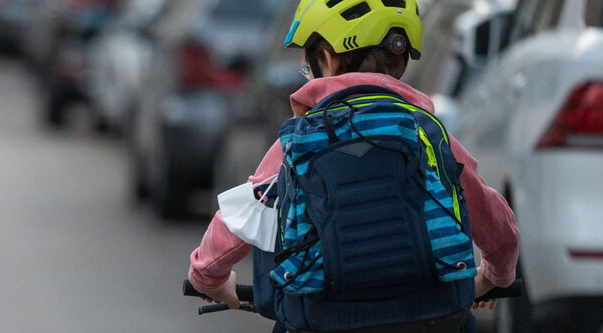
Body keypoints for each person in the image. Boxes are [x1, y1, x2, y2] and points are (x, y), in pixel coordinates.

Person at [189, 0, 519, 331]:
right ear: (400, 62)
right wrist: (494, 276)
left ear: (327, 60)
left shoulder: (301, 141)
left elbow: (234, 225)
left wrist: (210, 280)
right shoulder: (428, 134)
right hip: (434, 314)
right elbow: (497, 225)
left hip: (321, 318)